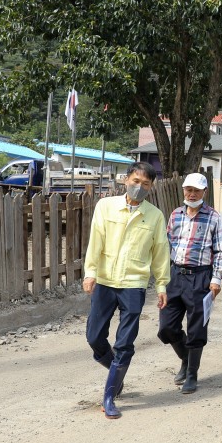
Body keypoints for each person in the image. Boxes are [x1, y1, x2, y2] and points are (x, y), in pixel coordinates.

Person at [83, 161, 170, 419]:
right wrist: (90, 272)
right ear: (126, 180)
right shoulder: (105, 206)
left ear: (151, 187)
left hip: (134, 284)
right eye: (135, 181)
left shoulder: (154, 215)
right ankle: (116, 373)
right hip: (106, 281)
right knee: (94, 337)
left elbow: (160, 253)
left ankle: (109, 396)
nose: (139, 187)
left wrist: (162, 284)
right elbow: (95, 241)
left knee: (125, 342)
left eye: (145, 184)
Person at [157, 172, 222, 395]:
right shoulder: (175, 215)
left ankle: (192, 374)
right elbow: (166, 245)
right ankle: (186, 358)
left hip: (200, 277)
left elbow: (219, 251)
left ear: (204, 192)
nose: (192, 193)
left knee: (197, 327)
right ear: (184, 190)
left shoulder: (214, 217)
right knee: (166, 327)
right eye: (188, 189)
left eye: (197, 190)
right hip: (175, 275)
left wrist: (216, 280)